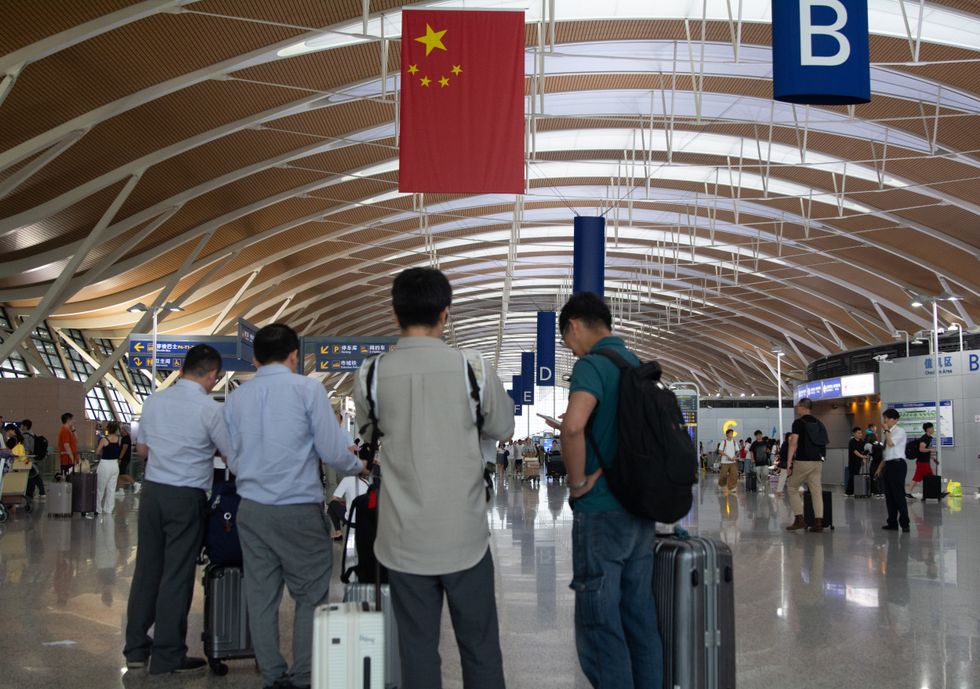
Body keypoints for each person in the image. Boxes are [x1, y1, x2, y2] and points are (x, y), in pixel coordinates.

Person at [353, 267, 514, 689]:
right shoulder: (473, 369)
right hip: (465, 536)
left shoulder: (370, 374)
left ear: (395, 312)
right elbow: (502, 426)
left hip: (402, 538)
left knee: (417, 650)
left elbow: (370, 433)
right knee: (480, 647)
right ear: (446, 313)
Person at [225, 324, 366, 689]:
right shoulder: (307, 389)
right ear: (294, 356)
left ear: (254, 358)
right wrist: (358, 466)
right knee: (311, 595)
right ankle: (302, 676)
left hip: (252, 509)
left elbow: (233, 456)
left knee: (260, 596)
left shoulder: (237, 398)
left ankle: (273, 675)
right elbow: (333, 451)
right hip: (298, 509)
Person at [545, 291, 662, 689]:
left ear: (575, 325)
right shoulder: (635, 364)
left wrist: (577, 486)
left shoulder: (592, 365)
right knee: (639, 619)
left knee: (600, 625)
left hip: (601, 510)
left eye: (567, 341)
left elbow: (574, 427)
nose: (571, 350)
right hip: (639, 510)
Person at [123, 345, 233, 675]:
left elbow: (143, 448)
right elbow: (231, 455)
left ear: (184, 368)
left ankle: (136, 651)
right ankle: (168, 654)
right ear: (212, 375)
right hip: (186, 497)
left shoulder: (154, 401)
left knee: (146, 571)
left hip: (153, 494)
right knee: (176, 575)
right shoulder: (210, 408)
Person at [784, 398, 828, 532]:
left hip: (803, 461)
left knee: (792, 487)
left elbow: (793, 443)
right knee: (816, 491)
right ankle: (818, 522)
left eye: (798, 406)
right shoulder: (819, 422)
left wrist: (789, 462)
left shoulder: (798, 423)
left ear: (803, 407)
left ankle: (799, 519)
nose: (797, 409)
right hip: (817, 462)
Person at [875, 408, 910, 532]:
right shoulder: (888, 432)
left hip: (898, 465)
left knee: (898, 494)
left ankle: (905, 523)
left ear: (895, 420)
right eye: (884, 418)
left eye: (888, 418)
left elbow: (890, 444)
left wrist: (886, 429)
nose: (885, 420)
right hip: (889, 465)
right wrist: (880, 467)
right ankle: (892, 522)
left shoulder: (899, 431)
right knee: (889, 495)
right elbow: (886, 453)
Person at [95, 421, 122, 516]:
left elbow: (97, 451)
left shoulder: (104, 439)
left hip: (105, 464)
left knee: (100, 488)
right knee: (111, 488)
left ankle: (98, 509)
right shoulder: (119, 439)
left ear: (109, 428)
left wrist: (101, 450)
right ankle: (109, 509)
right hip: (115, 465)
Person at [909, 422, 940, 498]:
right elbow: (921, 449)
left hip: (923, 462)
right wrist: (930, 449)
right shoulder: (924, 438)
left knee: (918, 478)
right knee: (930, 477)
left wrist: (933, 458)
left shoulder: (928, 438)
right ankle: (935, 493)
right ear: (928, 429)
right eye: (932, 428)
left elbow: (926, 451)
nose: (933, 429)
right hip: (922, 462)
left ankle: (908, 492)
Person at [21, 419, 46, 500]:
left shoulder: (25, 436)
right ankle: (39, 492)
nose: (21, 427)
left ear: (25, 426)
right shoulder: (32, 434)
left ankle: (33, 493)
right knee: (34, 475)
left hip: (28, 459)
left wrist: (24, 458)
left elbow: (27, 449)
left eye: (22, 425)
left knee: (33, 476)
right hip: (34, 458)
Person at [845, 427, 869, 497]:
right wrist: (862, 456)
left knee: (857, 476)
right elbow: (855, 451)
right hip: (853, 462)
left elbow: (864, 451)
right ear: (854, 433)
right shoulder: (852, 441)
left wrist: (864, 458)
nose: (860, 434)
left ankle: (856, 491)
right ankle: (848, 492)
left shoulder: (862, 441)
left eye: (861, 433)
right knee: (852, 476)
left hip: (859, 462)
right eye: (858, 433)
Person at [58, 412, 80, 479]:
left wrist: (73, 430)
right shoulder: (65, 430)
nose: (74, 421)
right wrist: (72, 458)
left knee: (72, 480)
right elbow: (66, 445)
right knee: (68, 480)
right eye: (73, 419)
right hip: (67, 460)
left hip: (70, 460)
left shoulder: (69, 430)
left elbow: (77, 440)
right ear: (68, 420)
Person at [717, 428, 738, 496]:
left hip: (733, 462)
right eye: (730, 433)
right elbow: (720, 451)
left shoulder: (734, 442)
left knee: (734, 475)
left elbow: (738, 451)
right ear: (727, 434)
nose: (732, 435)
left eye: (732, 433)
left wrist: (735, 456)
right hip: (724, 462)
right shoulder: (724, 442)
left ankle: (732, 487)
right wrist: (728, 456)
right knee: (723, 475)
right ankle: (721, 485)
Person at [117, 423, 135, 491]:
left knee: (122, 473)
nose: (121, 430)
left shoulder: (126, 438)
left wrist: (120, 458)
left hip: (124, 458)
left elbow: (124, 449)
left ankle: (135, 483)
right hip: (124, 458)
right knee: (119, 473)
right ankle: (121, 490)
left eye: (122, 429)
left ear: (125, 430)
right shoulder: (124, 438)